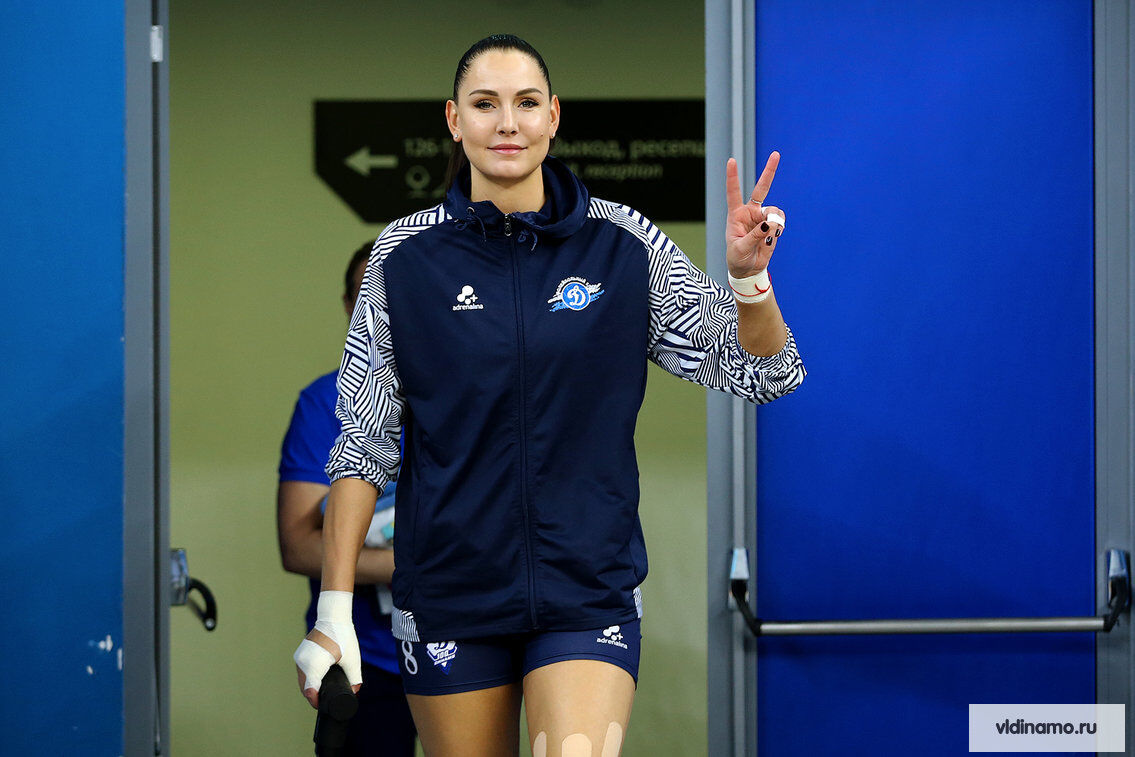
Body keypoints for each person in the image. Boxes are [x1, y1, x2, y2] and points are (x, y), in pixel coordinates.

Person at [294, 34, 804, 756]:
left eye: (526, 103)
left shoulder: (624, 244)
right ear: (454, 120)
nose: (508, 123)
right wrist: (334, 610)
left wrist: (749, 282)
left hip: (586, 589)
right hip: (449, 594)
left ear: (554, 116)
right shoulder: (402, 256)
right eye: (485, 104)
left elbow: (764, 372)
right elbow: (362, 442)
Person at [277, 241, 416, 756]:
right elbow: (298, 546)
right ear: (347, 305)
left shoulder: (467, 393)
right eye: (365, 295)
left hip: (469, 647)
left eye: (395, 294)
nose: (379, 309)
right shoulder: (326, 402)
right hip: (368, 657)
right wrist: (413, 567)